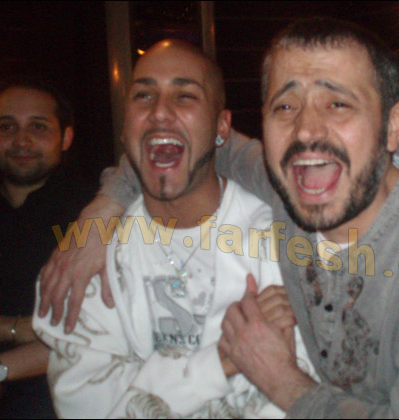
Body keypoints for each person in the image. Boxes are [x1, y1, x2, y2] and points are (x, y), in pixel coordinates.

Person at [37, 19, 399, 418]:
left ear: (393, 125)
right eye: (285, 107)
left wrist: (279, 378)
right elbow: (177, 139)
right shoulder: (289, 185)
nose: (307, 131)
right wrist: (102, 214)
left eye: (338, 104)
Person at [33, 39, 314, 418]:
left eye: (185, 97)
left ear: (222, 126)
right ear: (125, 125)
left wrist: (141, 380)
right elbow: (84, 405)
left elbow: (289, 400)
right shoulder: (87, 257)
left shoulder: (278, 242)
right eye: (143, 96)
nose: (160, 112)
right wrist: (224, 360)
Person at [0, 80, 96, 418]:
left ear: (66, 138)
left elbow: (95, 334)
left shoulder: (89, 214)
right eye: (6, 127)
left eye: (38, 127)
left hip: (61, 396)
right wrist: (16, 328)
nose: (21, 140)